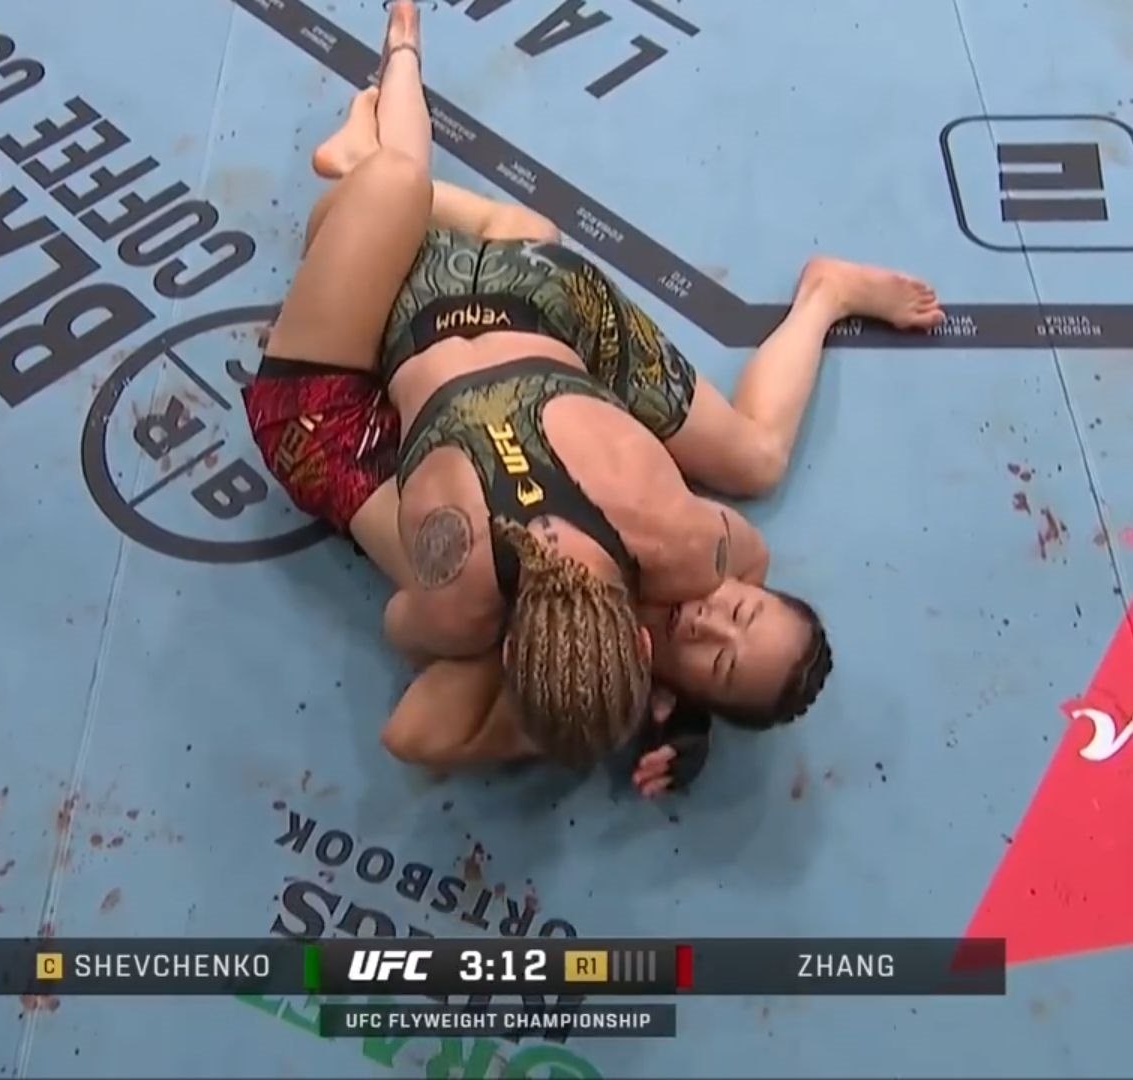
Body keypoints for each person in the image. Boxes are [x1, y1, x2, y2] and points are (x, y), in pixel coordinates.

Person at [245, 2, 944, 785]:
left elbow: (419, 709)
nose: (706, 619)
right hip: (524, 309)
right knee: (751, 455)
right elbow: (743, 558)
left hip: (445, 338)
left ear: (649, 659)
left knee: (442, 206)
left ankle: (391, 92)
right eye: (740, 611)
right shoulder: (687, 547)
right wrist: (611, 700)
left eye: (713, 660)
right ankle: (823, 296)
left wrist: (589, 700)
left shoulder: (485, 599)